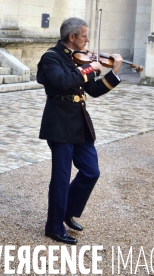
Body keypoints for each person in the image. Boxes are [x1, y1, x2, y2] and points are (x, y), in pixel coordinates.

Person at [36, 17, 122, 245]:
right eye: (84, 35)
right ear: (72, 37)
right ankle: (53, 227)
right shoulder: (51, 57)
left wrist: (112, 73)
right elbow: (62, 81)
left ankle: (68, 210)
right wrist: (88, 68)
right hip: (60, 125)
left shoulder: (81, 60)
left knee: (91, 171)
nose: (88, 40)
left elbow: (93, 90)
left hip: (80, 124)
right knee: (61, 178)